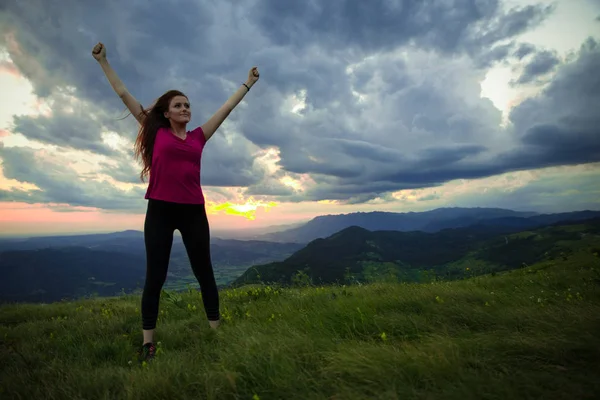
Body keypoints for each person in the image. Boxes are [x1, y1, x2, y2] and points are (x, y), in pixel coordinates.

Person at [91, 42, 260, 362]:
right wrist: (104, 61)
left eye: (188, 105)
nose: (186, 109)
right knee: (155, 276)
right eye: (179, 105)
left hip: (194, 211)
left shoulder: (198, 137)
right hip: (160, 210)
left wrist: (247, 84)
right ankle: (147, 342)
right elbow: (123, 94)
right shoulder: (156, 132)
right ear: (167, 113)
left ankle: (216, 333)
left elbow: (225, 109)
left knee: (204, 273)